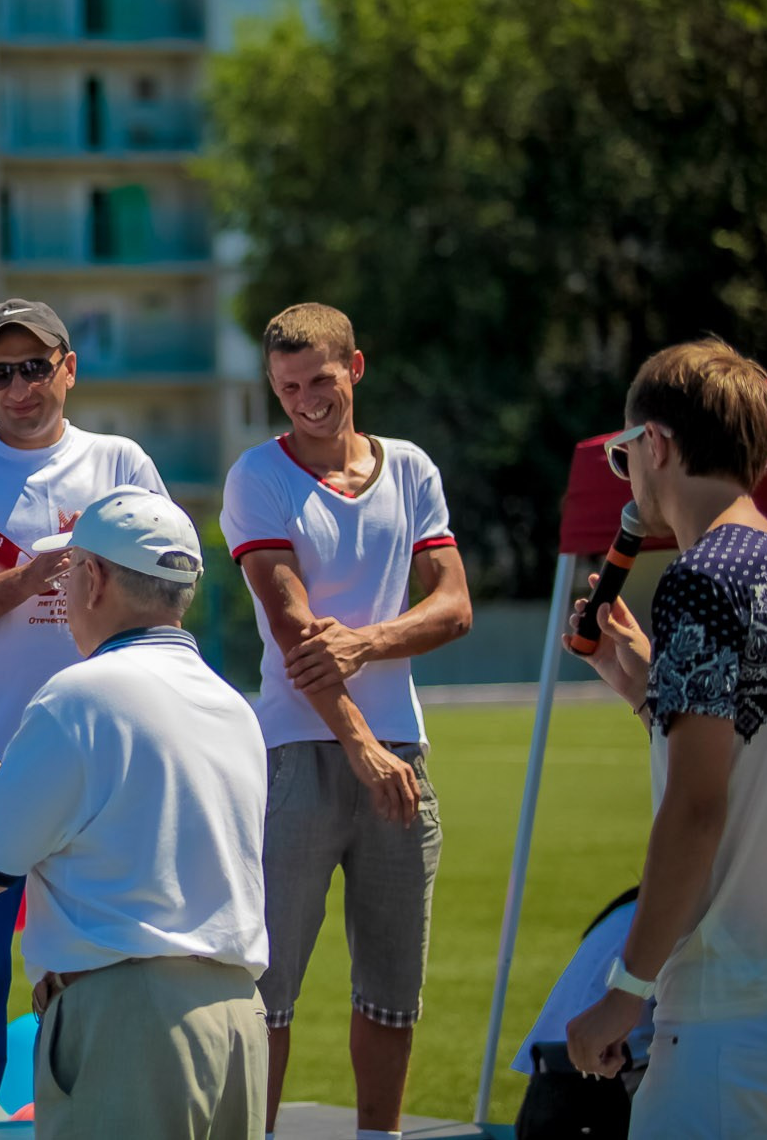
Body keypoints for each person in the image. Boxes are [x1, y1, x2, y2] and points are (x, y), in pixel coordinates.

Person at [0, 486, 270, 1140]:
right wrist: (17, 793)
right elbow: (145, 823)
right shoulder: (233, 707)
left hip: (130, 1023)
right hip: (237, 1016)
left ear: (96, 579)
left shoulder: (80, 694)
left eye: (72, 567)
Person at [218, 303, 472, 1140]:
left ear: (354, 367)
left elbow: (455, 606)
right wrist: (358, 741)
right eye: (287, 387)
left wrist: (365, 641)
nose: (304, 400)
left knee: (394, 986)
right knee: (269, 984)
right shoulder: (259, 475)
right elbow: (294, 629)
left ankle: (380, 1135)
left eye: (319, 380)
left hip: (401, 749)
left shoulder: (411, 469)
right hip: (295, 754)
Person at [562, 339, 767, 1139]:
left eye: (623, 453)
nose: (625, 473)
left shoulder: (699, 579)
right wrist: (642, 684)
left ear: (658, 445)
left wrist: (624, 990)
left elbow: (699, 806)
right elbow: (761, 756)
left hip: (721, 1031)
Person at [0, 297, 165, 1136]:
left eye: (34, 367)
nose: (18, 388)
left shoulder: (120, 461)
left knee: (109, 978)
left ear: (69, 367)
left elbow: (162, 599)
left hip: (101, 774)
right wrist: (19, 583)